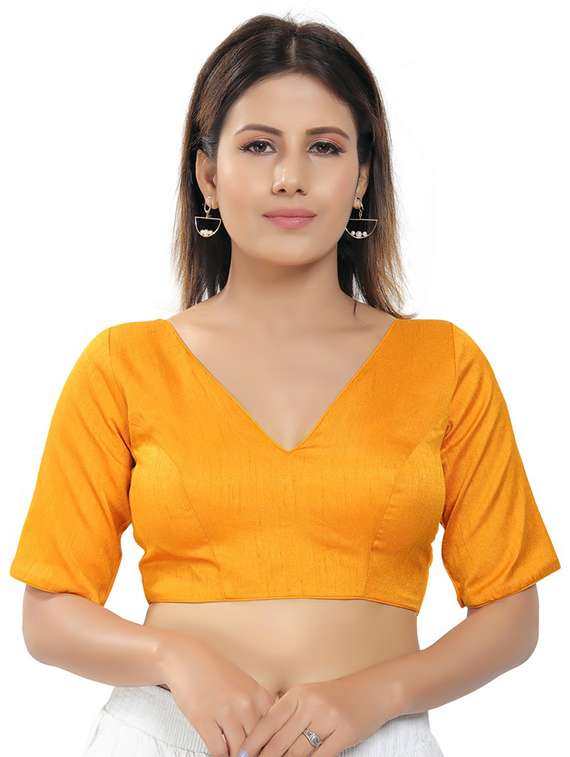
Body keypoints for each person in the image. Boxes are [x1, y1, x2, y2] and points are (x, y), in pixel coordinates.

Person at [9, 12, 561, 757]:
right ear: (208, 175)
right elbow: (48, 612)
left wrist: (378, 693)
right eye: (259, 145)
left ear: (362, 177)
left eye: (324, 147)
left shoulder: (445, 364)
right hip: (163, 733)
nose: (290, 175)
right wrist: (173, 657)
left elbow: (512, 613)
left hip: (378, 737)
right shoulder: (123, 365)